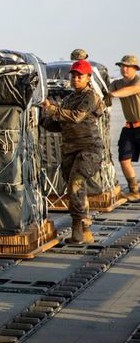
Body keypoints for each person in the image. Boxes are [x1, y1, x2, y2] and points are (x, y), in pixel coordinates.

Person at [40, 59, 104, 244]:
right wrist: (41, 116)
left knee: (76, 184)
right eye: (73, 75)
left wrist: (52, 108)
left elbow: (76, 117)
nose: (75, 79)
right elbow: (58, 125)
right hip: (69, 150)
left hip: (88, 149)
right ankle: (84, 228)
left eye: (80, 76)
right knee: (74, 190)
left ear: (88, 78)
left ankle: (79, 227)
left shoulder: (90, 96)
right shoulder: (68, 99)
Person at [107, 55, 140, 200]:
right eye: (122, 66)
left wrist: (111, 95)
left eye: (127, 66)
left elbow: (132, 90)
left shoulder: (138, 81)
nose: (124, 68)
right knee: (124, 158)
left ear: (135, 69)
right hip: (129, 127)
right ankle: (134, 190)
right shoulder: (117, 83)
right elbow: (104, 92)